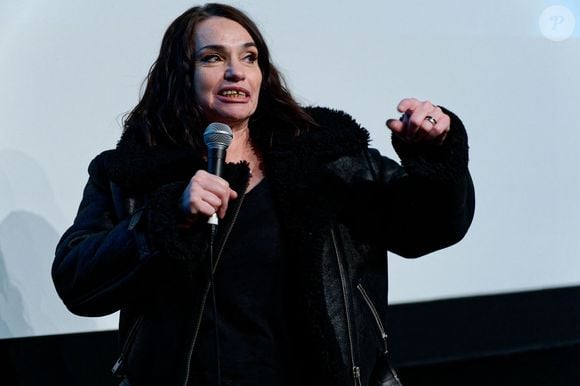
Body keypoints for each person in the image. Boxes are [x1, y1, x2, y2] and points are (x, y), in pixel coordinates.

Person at [52, 3, 475, 386]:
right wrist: (165, 218)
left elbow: (429, 228)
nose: (236, 72)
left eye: (249, 57)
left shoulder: (327, 160)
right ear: (181, 74)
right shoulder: (131, 174)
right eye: (213, 57)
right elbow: (78, 283)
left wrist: (436, 154)